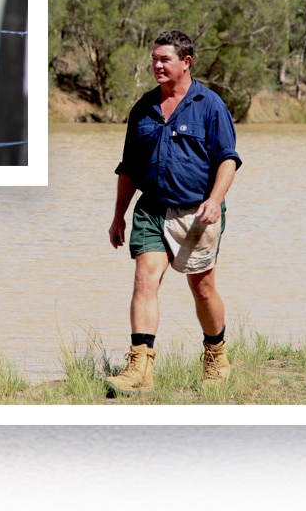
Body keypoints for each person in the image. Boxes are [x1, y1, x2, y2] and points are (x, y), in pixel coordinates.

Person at [105, 29, 241, 393]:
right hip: (151, 208)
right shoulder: (143, 109)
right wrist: (119, 215)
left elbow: (228, 159)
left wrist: (214, 200)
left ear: (186, 62)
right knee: (144, 278)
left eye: (165, 59)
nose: (157, 65)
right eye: (154, 59)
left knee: (203, 287)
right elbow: (129, 168)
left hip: (197, 212)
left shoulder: (210, 105)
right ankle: (140, 370)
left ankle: (216, 354)